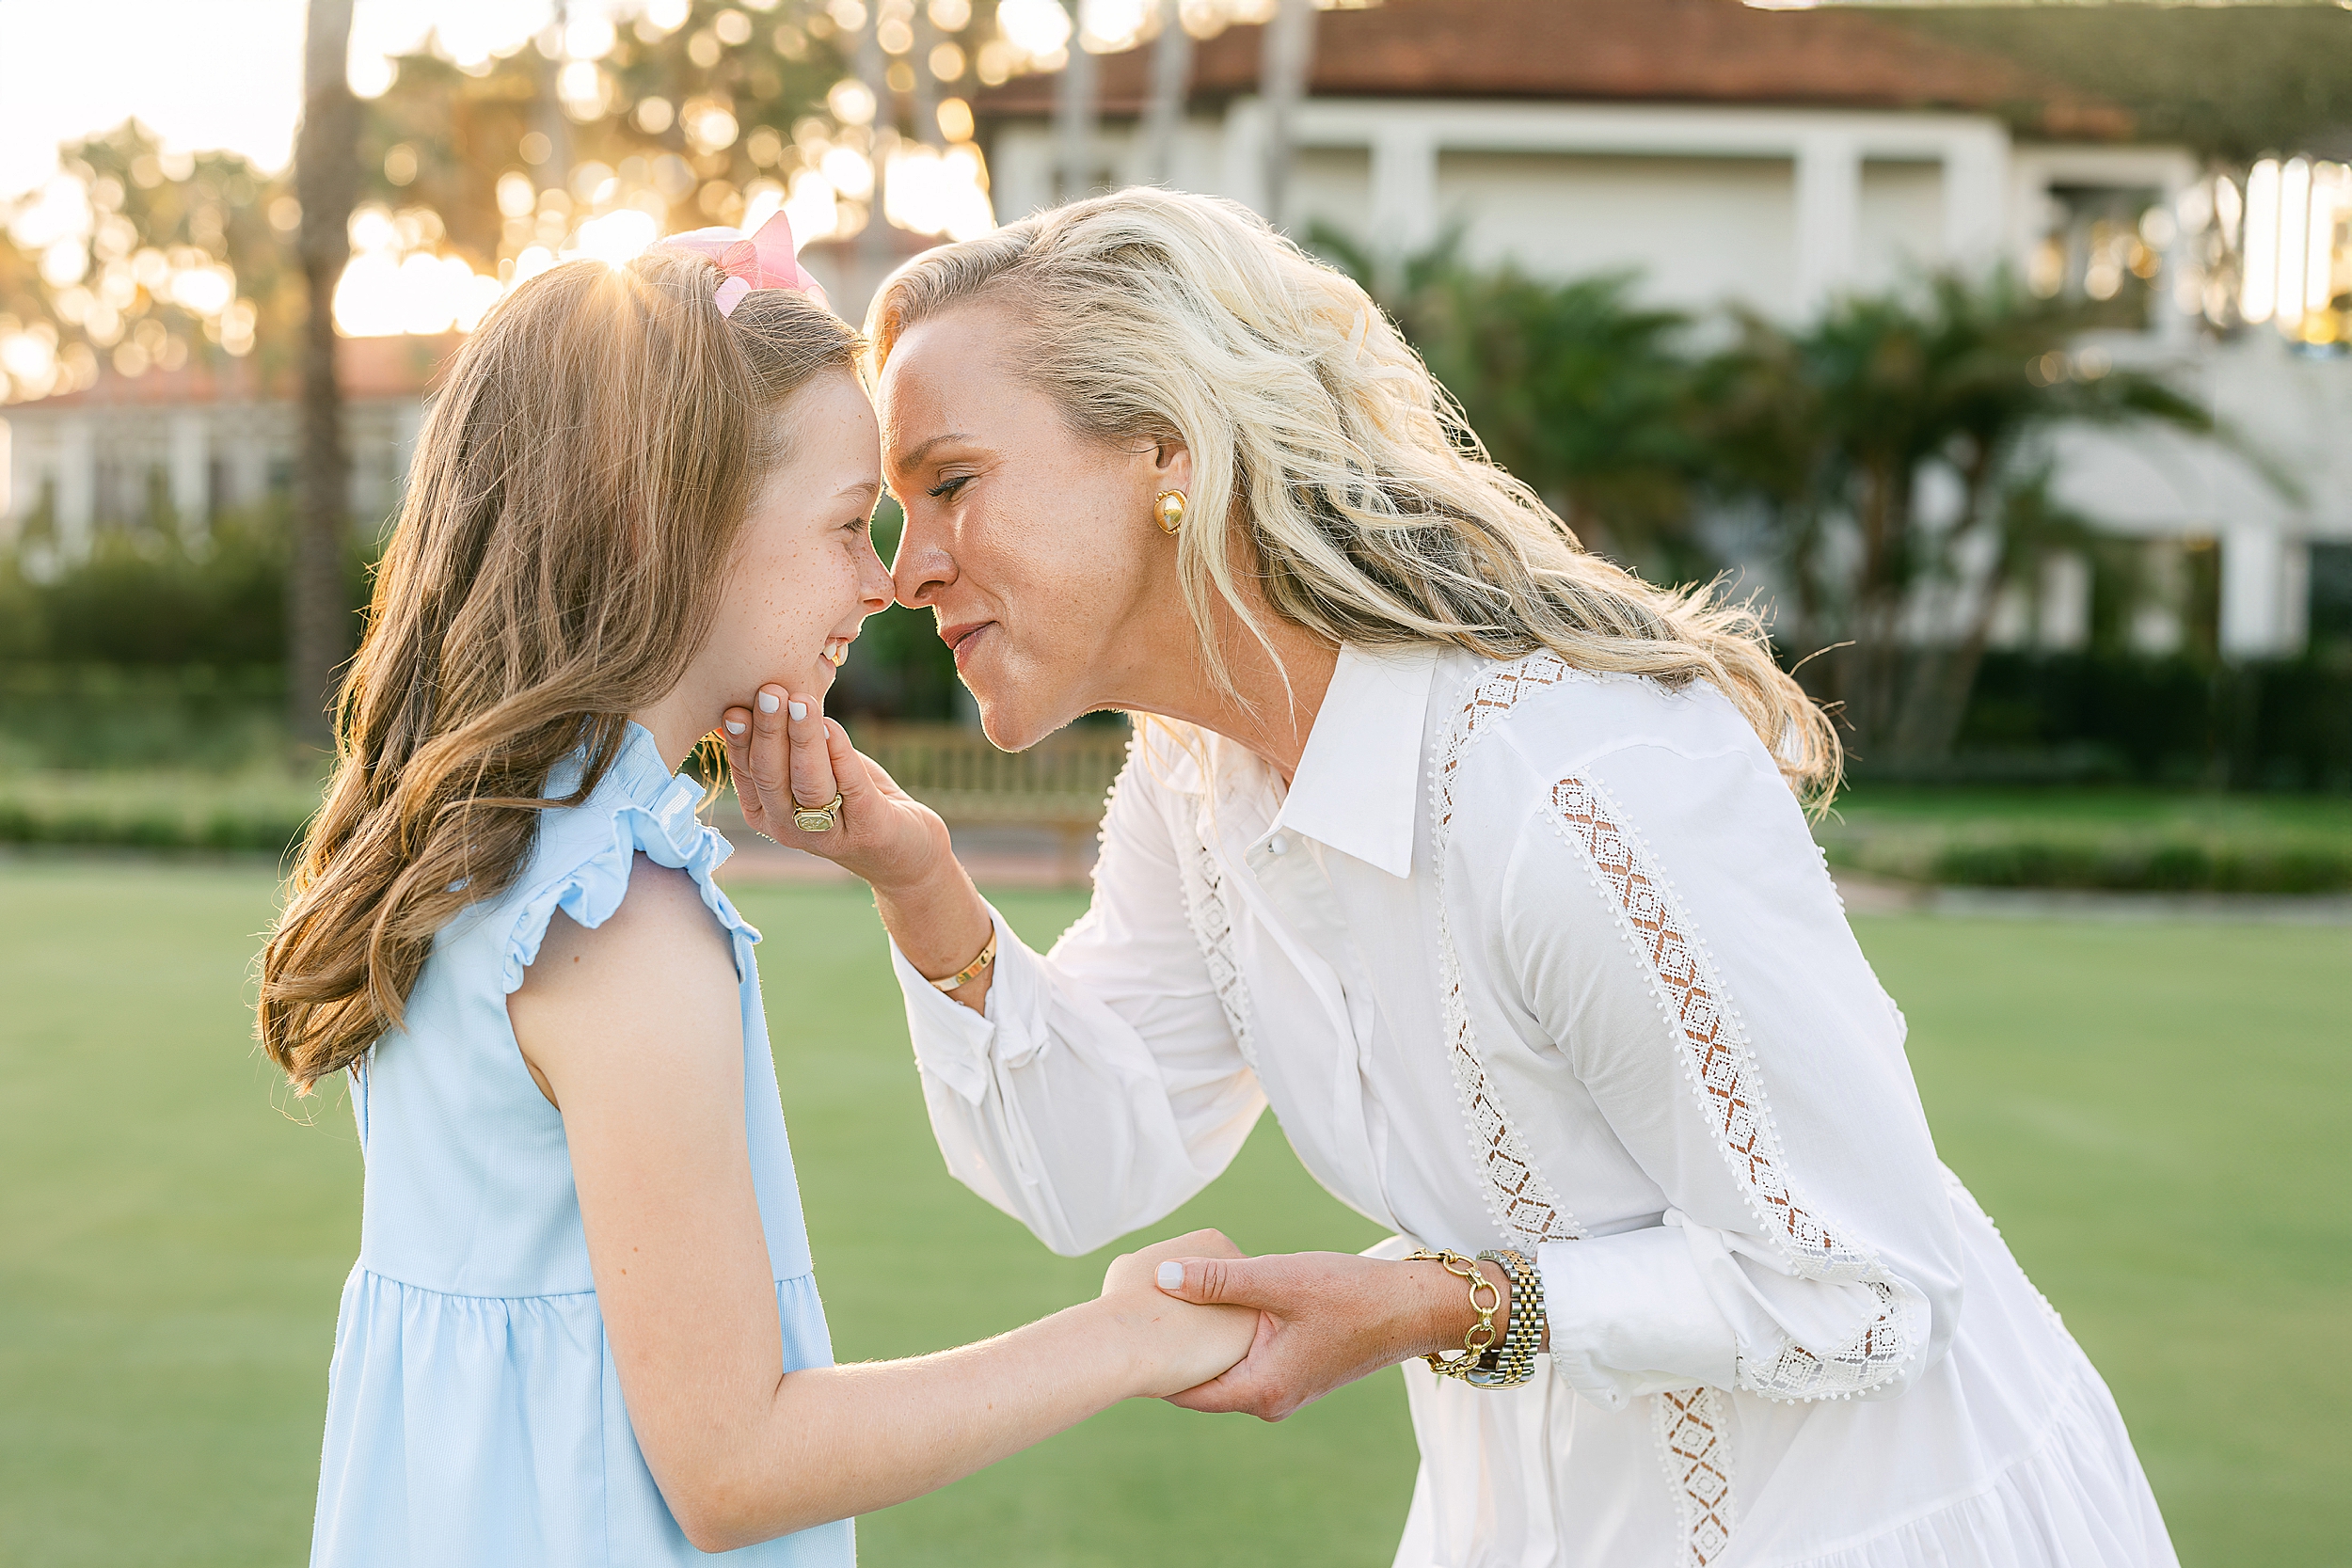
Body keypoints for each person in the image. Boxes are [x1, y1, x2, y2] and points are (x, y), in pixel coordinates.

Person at [733, 188, 2180, 1568]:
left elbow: (1863, 1287)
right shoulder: (1196, 778)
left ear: (1166, 451)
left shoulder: (1573, 785)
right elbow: (1089, 1167)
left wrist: (1440, 1304)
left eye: (954, 484)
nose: (905, 569)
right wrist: (918, 884)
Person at [255, 216, 1253, 1567]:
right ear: (663, 521)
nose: (884, 580)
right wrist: (1124, 1337)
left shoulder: (487, 852)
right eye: (849, 524)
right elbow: (734, 1465)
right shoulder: (620, 925)